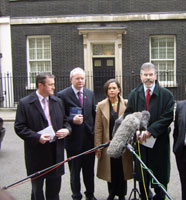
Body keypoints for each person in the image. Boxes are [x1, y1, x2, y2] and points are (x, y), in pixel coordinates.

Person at [14, 72, 71, 200]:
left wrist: (67, 130)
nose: (53, 87)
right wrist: (36, 137)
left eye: (53, 84)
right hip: (36, 153)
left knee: (54, 191)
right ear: (40, 85)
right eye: (50, 85)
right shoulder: (25, 103)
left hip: (55, 153)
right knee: (37, 192)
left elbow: (65, 121)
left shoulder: (58, 101)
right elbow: (19, 127)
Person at [124, 62, 175, 200]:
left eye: (151, 75)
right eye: (145, 75)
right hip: (141, 144)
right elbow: (128, 115)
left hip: (159, 142)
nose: (148, 78)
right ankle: (145, 196)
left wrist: (150, 131)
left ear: (156, 75)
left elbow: (168, 116)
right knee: (143, 175)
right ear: (140, 76)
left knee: (160, 174)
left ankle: (160, 196)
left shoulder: (166, 95)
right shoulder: (134, 94)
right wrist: (134, 130)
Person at [57, 67, 97, 200]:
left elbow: (93, 115)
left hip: (88, 140)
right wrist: (71, 120)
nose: (80, 81)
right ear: (71, 79)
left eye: (82, 78)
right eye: (77, 78)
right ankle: (76, 196)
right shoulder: (62, 95)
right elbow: (59, 117)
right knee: (75, 172)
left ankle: (90, 195)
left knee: (89, 171)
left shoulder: (89, 93)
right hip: (73, 141)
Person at [94, 79, 133, 200]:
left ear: (119, 90)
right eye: (109, 88)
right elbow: (98, 127)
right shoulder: (101, 105)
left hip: (122, 144)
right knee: (110, 169)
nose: (111, 90)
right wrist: (98, 146)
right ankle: (111, 193)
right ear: (106, 91)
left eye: (114, 88)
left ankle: (121, 194)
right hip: (108, 144)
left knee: (122, 169)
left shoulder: (126, 103)